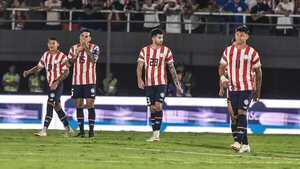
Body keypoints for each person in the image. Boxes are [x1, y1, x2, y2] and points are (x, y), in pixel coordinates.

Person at [218, 25, 262, 153]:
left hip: (247, 88)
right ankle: (246, 144)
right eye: (238, 34)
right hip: (232, 88)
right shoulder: (228, 51)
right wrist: (222, 79)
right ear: (235, 35)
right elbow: (221, 67)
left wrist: (258, 91)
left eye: (243, 35)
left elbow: (259, 73)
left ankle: (237, 141)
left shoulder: (252, 52)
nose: (240, 36)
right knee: (236, 116)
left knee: (242, 112)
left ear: (247, 37)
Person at [136, 28, 183, 142]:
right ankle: (154, 133)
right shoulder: (144, 50)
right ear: (153, 38)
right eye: (159, 37)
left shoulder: (166, 50)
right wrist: (139, 79)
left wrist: (177, 83)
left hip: (162, 83)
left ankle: (157, 135)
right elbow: (140, 66)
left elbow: (171, 68)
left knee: (158, 106)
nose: (161, 40)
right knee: (152, 109)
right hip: (149, 84)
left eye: (162, 38)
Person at [23, 37, 73, 137]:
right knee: (57, 107)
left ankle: (44, 130)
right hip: (51, 85)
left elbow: (67, 72)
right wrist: (28, 72)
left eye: (53, 43)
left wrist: (57, 82)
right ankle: (69, 129)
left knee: (50, 104)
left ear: (57, 44)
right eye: (50, 43)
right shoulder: (45, 55)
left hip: (57, 84)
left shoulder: (62, 56)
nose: (51, 45)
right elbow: (39, 67)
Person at [67, 29, 100, 138]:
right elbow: (69, 63)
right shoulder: (73, 48)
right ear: (79, 37)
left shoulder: (95, 47)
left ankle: (91, 131)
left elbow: (94, 60)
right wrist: (76, 54)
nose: (84, 38)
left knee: (90, 104)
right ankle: (81, 131)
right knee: (79, 105)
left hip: (90, 80)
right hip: (77, 81)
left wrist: (85, 48)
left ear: (89, 39)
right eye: (82, 36)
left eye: (87, 36)